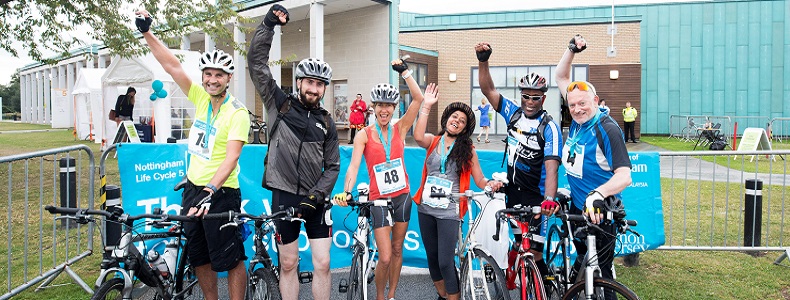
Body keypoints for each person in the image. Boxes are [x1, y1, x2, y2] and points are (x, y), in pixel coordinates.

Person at [134, 10, 250, 300]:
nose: (212, 80)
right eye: (208, 74)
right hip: (193, 191)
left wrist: (212, 189)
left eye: (218, 75)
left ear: (228, 78)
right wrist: (148, 32)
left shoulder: (237, 113)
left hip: (221, 193)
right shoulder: (200, 98)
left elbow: (231, 157)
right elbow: (172, 67)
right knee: (199, 257)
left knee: (231, 258)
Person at [248, 5, 340, 300]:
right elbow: (257, 63)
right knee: (288, 263)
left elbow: (333, 166)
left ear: (324, 88)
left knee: (323, 264)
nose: (314, 88)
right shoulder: (280, 105)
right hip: (284, 194)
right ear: (299, 82)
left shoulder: (327, 122)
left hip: (316, 198)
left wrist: (318, 194)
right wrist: (268, 25)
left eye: (319, 84)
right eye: (310, 82)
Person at [332, 58, 424, 300]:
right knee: (384, 256)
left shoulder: (401, 128)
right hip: (379, 199)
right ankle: (380, 296)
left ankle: (392, 295)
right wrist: (346, 189)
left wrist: (405, 72)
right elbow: (352, 167)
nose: (384, 110)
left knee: (396, 249)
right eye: (380, 105)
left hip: (402, 196)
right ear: (373, 107)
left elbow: (418, 99)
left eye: (389, 105)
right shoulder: (364, 135)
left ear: (394, 108)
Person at [474, 41, 563, 288]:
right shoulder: (513, 112)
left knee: (534, 252)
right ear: (521, 95)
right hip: (514, 192)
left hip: (537, 196)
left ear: (544, 98)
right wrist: (483, 60)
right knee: (518, 243)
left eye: (536, 97)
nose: (530, 101)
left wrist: (549, 199)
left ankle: (541, 286)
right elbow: (488, 89)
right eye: (526, 96)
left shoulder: (550, 127)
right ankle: (512, 272)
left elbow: (552, 167)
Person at [556, 34, 632, 294]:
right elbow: (561, 77)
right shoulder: (577, 124)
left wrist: (599, 193)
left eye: (583, 104)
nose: (577, 109)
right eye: (572, 104)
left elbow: (625, 176)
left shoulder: (607, 129)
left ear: (596, 102)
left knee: (602, 272)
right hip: (578, 208)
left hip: (600, 211)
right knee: (582, 264)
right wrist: (570, 51)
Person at [413, 87, 503, 300]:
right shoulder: (433, 141)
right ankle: (444, 296)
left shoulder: (468, 149)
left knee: (445, 261)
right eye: (454, 117)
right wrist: (426, 105)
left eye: (462, 121)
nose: (457, 121)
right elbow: (417, 136)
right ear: (446, 119)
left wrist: (490, 183)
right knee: (433, 260)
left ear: (464, 129)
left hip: (449, 212)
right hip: (425, 209)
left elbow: (479, 179)